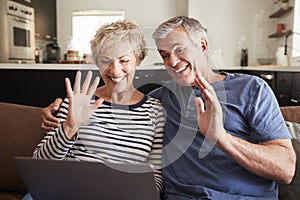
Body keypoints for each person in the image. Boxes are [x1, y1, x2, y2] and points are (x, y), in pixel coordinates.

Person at [41, 16, 296, 199]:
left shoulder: (251, 89)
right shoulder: (160, 100)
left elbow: (285, 170)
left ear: (203, 46)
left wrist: (221, 137)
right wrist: (61, 114)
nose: (172, 61)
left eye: (179, 50)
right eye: (164, 55)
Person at [27, 19, 165, 199]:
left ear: (138, 60)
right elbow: (40, 164)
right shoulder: (78, 101)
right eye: (106, 61)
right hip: (65, 192)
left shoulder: (155, 112)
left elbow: (156, 176)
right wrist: (70, 127)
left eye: (124, 60)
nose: (115, 71)